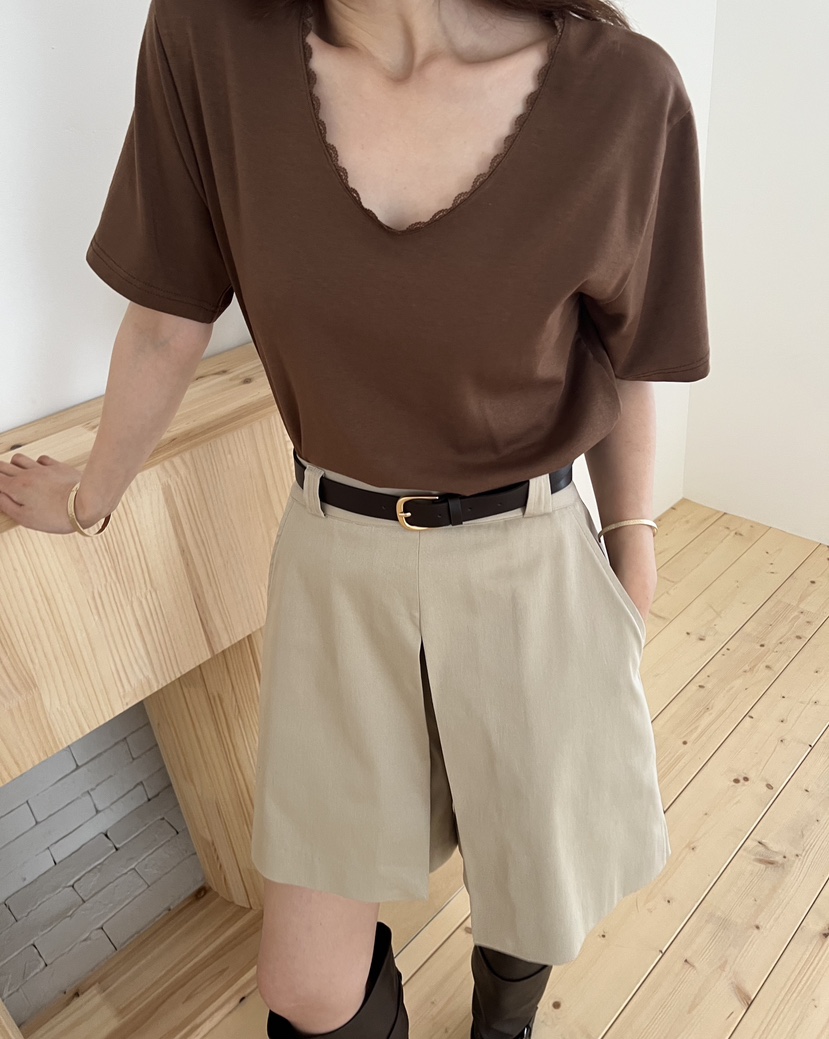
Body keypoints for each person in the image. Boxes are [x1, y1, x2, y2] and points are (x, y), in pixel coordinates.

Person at [0, 0, 710, 1035]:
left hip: (532, 557)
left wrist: (630, 551)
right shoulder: (207, 39)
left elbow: (629, 351)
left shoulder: (623, 89)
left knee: (535, 884)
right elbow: (165, 317)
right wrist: (86, 497)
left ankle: (501, 1023)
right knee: (306, 984)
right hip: (336, 563)